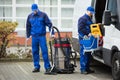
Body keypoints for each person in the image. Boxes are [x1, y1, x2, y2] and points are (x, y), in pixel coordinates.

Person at [26, 3, 54, 74]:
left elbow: (50, 24)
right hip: (34, 37)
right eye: (33, 10)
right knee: (35, 52)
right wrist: (28, 35)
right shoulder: (30, 16)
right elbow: (28, 26)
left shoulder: (43, 15)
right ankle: (36, 66)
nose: (34, 11)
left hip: (42, 36)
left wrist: (52, 33)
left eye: (35, 10)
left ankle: (47, 67)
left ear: (37, 9)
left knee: (44, 51)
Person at [78, 6, 95, 74]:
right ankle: (83, 69)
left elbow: (92, 27)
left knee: (88, 53)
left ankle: (87, 68)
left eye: (92, 13)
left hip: (89, 38)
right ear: (87, 11)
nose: (91, 14)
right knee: (84, 53)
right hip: (83, 38)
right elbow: (80, 29)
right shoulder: (82, 19)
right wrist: (88, 33)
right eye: (91, 12)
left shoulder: (89, 19)